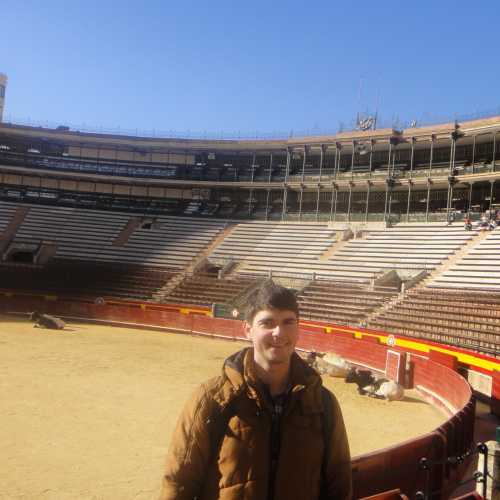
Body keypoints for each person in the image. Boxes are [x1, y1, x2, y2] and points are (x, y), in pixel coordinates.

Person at [159, 281, 352, 500]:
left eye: (288, 322)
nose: (278, 332)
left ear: (298, 328)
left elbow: (339, 482)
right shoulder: (211, 399)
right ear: (248, 330)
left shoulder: (323, 403)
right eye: (267, 323)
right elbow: (178, 482)